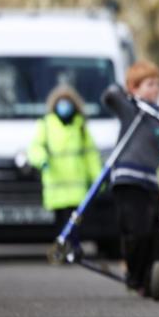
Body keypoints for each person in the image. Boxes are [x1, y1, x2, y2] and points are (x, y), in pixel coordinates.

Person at [101, 60, 159, 298]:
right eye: (150, 84)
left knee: (157, 233)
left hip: (149, 181)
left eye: (158, 84)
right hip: (128, 180)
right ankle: (136, 277)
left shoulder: (158, 116)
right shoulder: (131, 109)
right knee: (136, 231)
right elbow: (110, 97)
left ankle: (156, 275)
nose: (155, 89)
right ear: (134, 88)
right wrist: (125, 95)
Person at [28, 85, 102, 229]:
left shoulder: (81, 127)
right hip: (56, 193)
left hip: (78, 193)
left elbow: (91, 156)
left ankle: (72, 251)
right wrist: (42, 160)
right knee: (61, 229)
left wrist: (98, 179)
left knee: (75, 229)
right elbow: (35, 148)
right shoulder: (46, 125)